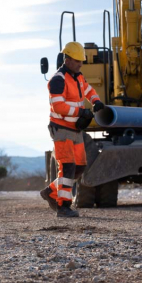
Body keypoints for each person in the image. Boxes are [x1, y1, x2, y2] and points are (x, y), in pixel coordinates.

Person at [40, 42, 104, 218]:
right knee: (67, 167)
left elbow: (88, 89)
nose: (80, 64)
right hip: (61, 129)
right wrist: (80, 111)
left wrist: (96, 100)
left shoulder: (78, 77)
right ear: (67, 59)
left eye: (81, 61)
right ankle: (63, 207)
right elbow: (58, 106)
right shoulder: (57, 80)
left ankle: (50, 191)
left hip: (75, 129)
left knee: (79, 167)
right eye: (77, 61)